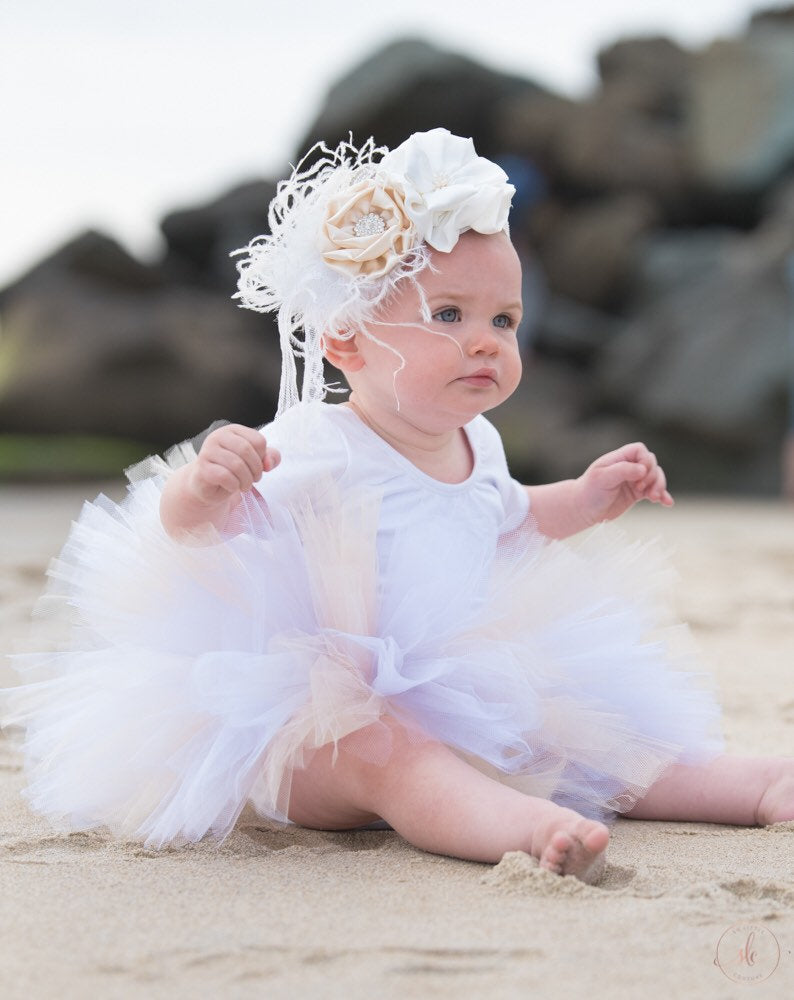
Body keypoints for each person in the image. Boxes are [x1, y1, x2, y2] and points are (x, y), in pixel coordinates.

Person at [3, 130, 792, 884]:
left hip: (476, 692)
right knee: (392, 753)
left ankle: (757, 786)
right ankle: (522, 830)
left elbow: (507, 520)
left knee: (607, 741)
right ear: (345, 340)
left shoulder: (478, 442)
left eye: (504, 320)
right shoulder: (322, 442)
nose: (485, 341)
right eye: (448, 316)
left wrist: (586, 498)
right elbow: (190, 535)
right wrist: (202, 487)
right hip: (316, 716)